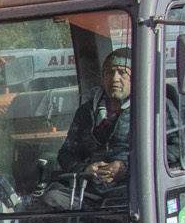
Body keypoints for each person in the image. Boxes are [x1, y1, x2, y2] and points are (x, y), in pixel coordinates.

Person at [51, 51, 136, 203]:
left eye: (122, 72)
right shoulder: (86, 112)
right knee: (52, 199)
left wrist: (127, 167)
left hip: (130, 190)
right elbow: (66, 154)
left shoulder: (153, 109)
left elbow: (175, 149)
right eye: (110, 72)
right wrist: (84, 170)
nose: (115, 78)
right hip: (89, 191)